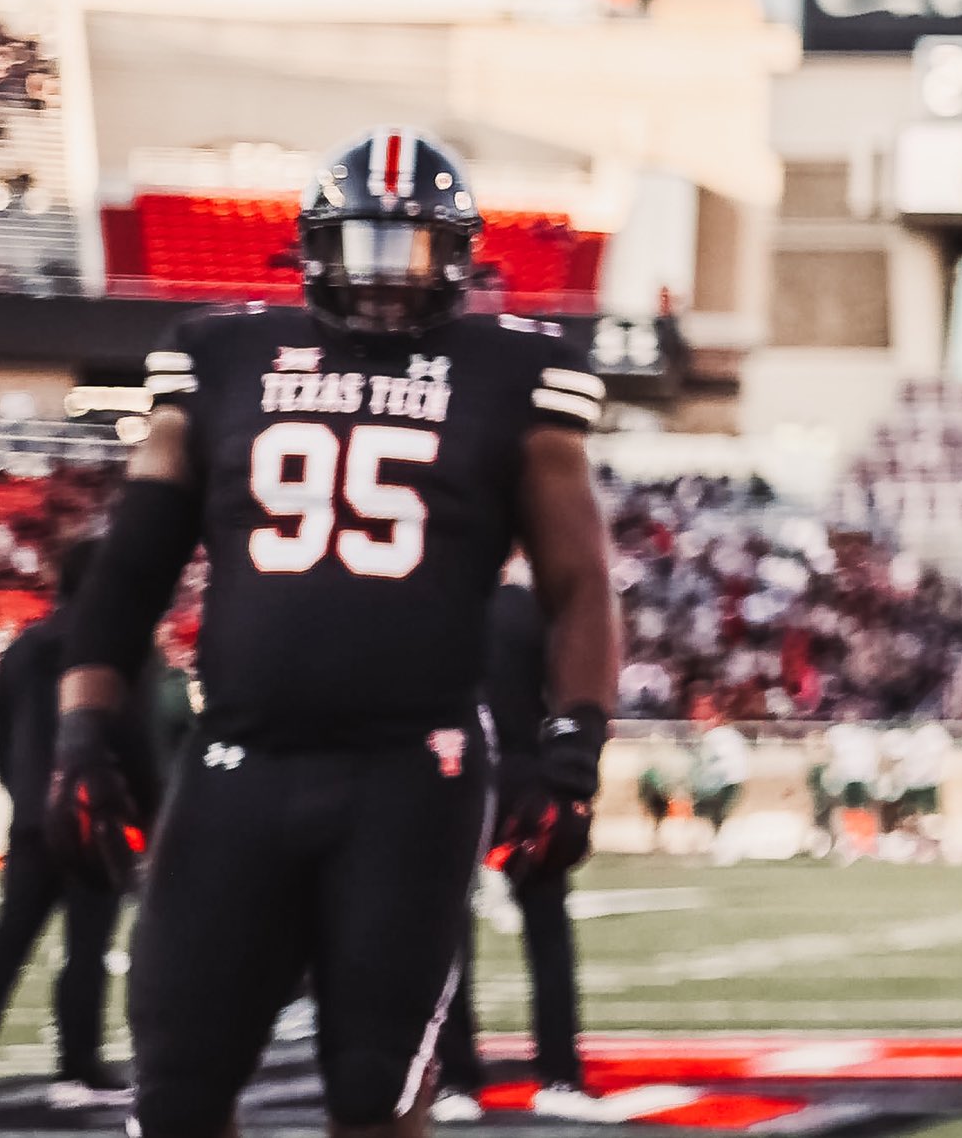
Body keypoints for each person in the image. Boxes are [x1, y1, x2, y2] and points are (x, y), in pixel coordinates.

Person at [38, 129, 619, 1138]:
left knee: (376, 1087)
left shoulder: (512, 371)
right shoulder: (219, 357)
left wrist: (573, 753)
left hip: (411, 772)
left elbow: (580, 584)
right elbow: (132, 565)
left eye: (415, 251)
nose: (388, 281)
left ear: (463, 258)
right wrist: (82, 733)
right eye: (365, 247)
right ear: (310, 248)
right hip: (237, 763)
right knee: (174, 1087)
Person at [0, 541, 146, 1110]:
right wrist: (147, 816)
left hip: (33, 817)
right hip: (93, 817)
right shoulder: (118, 647)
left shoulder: (24, 647)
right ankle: (78, 1072)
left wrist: (27, 796)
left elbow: (4, 735)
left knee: (6, 944)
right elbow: (133, 740)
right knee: (86, 948)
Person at [436, 571, 602, 1117]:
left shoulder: (444, 598)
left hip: (453, 772)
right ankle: (560, 1076)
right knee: (548, 936)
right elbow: (567, 698)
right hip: (528, 777)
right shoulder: (534, 609)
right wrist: (569, 781)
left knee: (449, 943)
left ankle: (455, 1080)